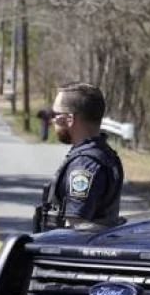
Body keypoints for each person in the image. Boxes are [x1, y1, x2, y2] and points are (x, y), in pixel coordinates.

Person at [41, 82, 124, 229]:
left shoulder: (85, 164)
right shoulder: (103, 153)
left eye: (55, 114)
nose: (52, 120)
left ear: (69, 119)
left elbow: (76, 228)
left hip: (71, 249)